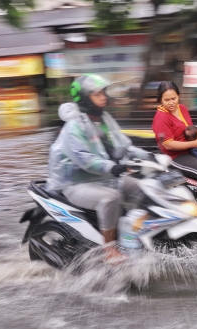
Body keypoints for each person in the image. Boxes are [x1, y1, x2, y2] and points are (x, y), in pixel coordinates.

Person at [47, 73, 151, 263]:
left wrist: (149, 156)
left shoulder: (105, 120)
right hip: (76, 184)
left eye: (104, 92)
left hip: (104, 178)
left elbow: (125, 146)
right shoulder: (74, 127)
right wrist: (113, 167)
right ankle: (109, 250)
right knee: (111, 197)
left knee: (143, 186)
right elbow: (85, 159)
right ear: (85, 98)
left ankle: (132, 233)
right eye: (97, 94)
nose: (104, 97)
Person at [152, 81, 197, 224]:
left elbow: (190, 131)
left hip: (190, 150)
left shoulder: (182, 108)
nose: (171, 103)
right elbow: (169, 145)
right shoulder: (161, 118)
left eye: (173, 98)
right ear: (160, 100)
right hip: (174, 156)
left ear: (179, 96)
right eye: (166, 100)